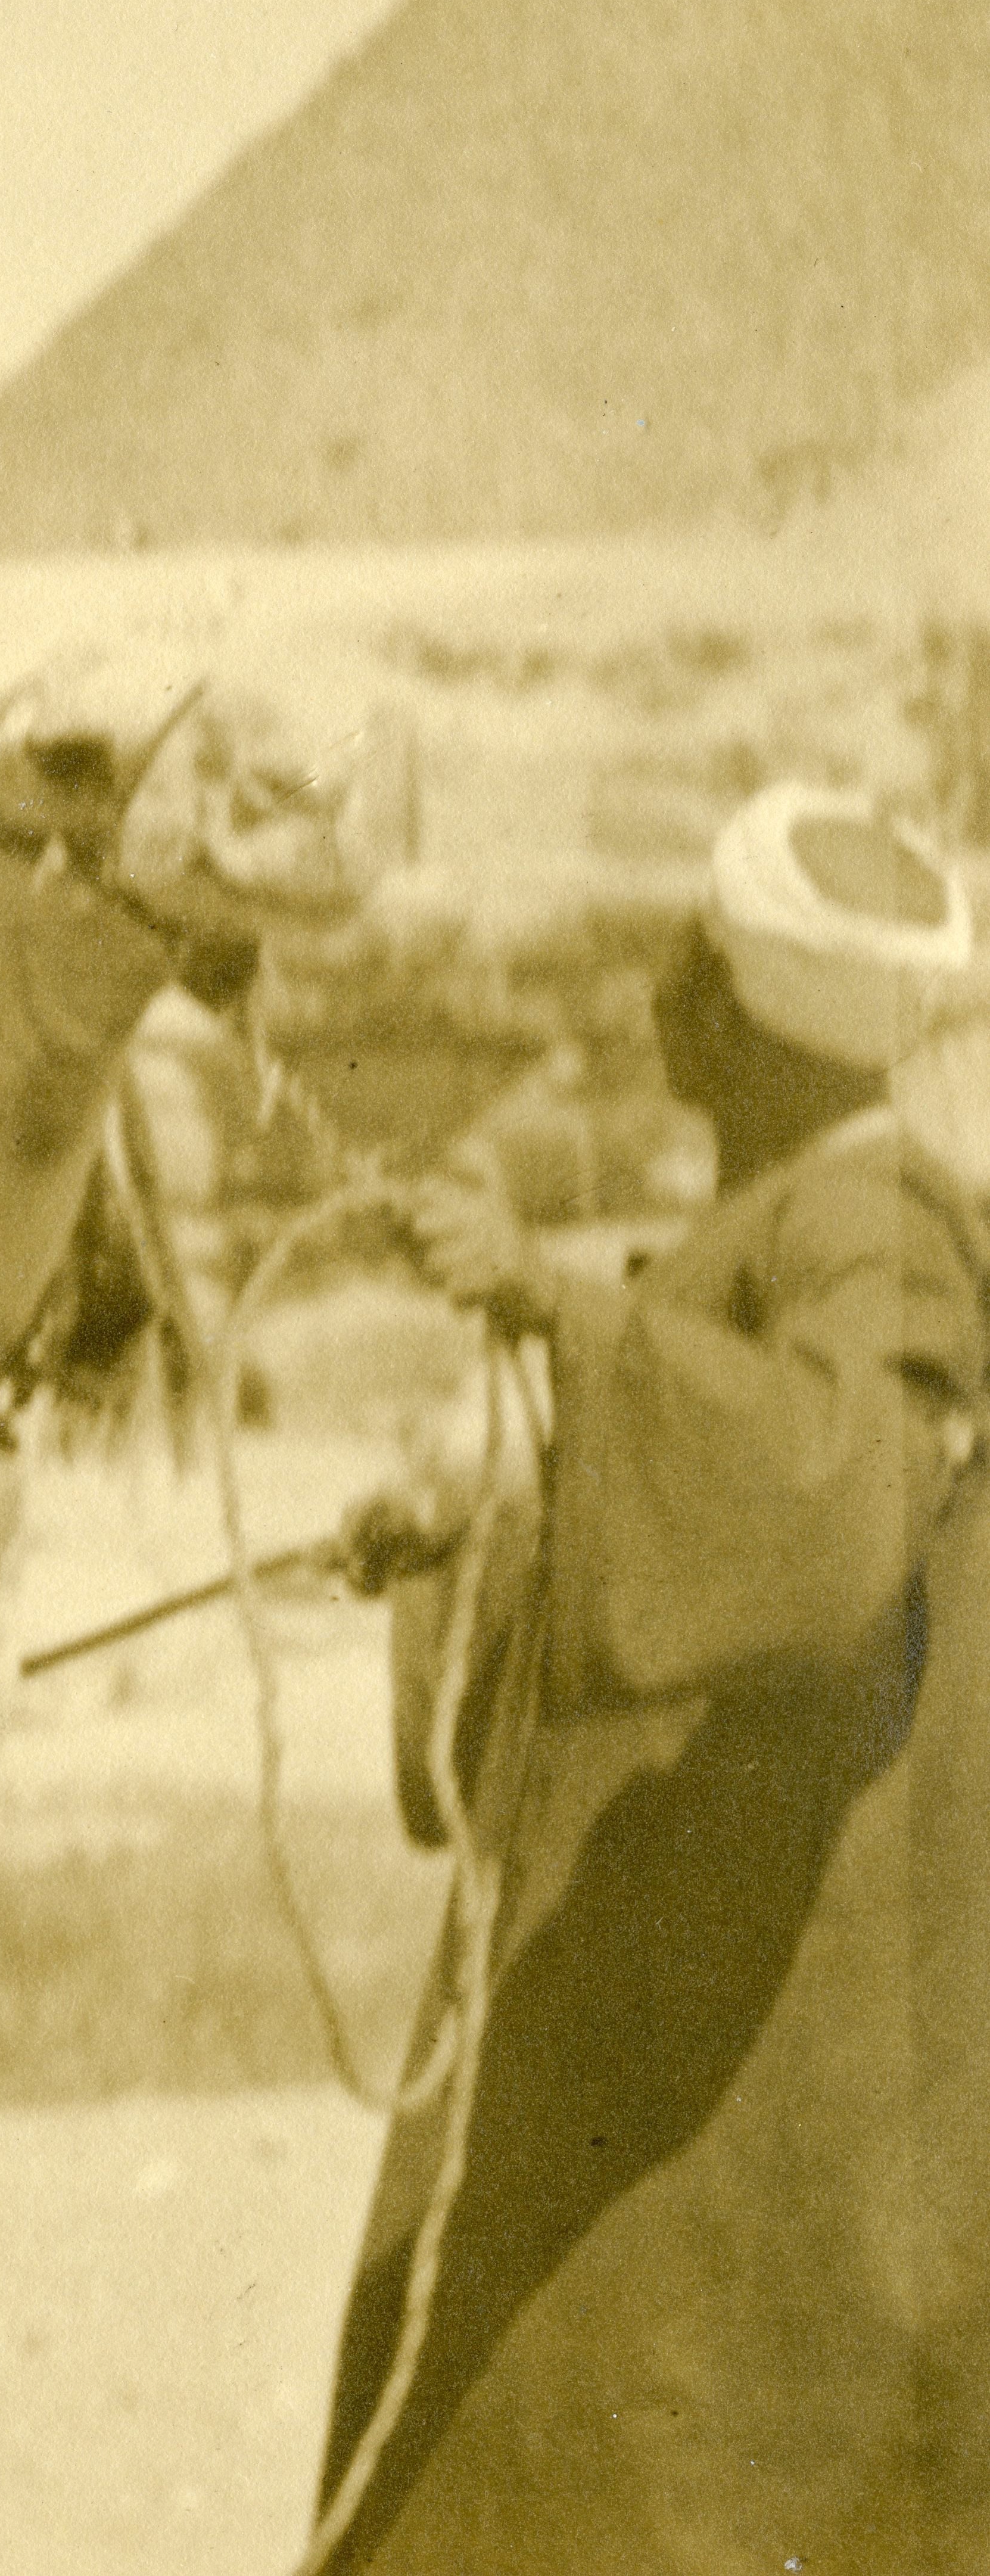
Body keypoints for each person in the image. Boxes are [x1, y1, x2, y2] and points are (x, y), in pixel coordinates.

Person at [317, 782, 990, 2572]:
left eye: (696, 961)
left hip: (760, 2023)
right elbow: (686, 1489)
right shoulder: (803, 1210)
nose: (661, 990)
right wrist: (472, 1532)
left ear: (754, 1016)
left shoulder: (878, 1227)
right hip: (686, 1981)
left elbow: (828, 1511)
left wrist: (556, 1309)